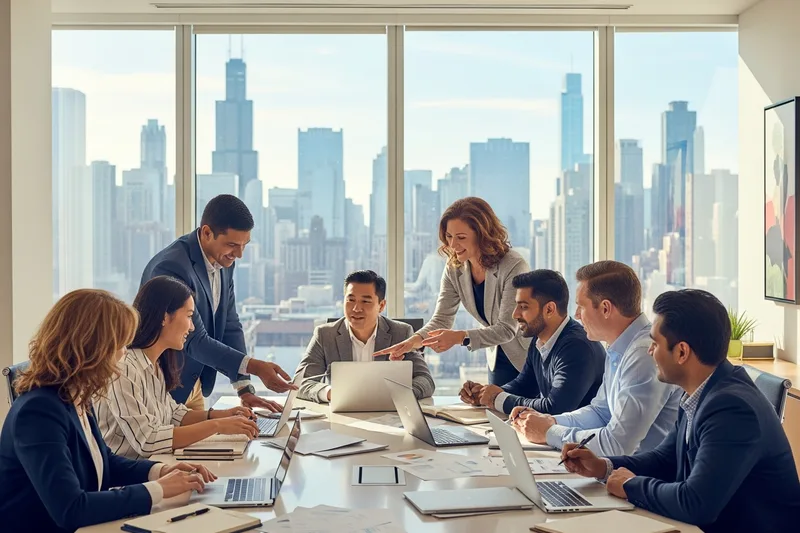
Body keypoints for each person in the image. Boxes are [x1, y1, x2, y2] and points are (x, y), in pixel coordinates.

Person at [560, 289, 800, 533]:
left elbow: (696, 503)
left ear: (682, 352)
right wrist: (603, 466)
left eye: (655, 343)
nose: (650, 351)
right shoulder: (701, 391)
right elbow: (665, 460)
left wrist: (630, 485)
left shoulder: (732, 408)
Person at [0, 289, 215, 533]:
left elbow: (104, 462)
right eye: (120, 344)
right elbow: (71, 508)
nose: (124, 352)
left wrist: (161, 471)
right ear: (92, 347)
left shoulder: (76, 395)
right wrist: (159, 490)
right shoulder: (38, 412)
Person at [141, 194, 295, 412]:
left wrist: (244, 387)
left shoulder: (224, 261)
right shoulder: (172, 267)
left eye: (244, 245)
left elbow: (230, 324)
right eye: (232, 245)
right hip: (164, 387)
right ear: (207, 233)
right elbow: (194, 339)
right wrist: (256, 366)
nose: (239, 254)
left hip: (194, 386)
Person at [511, 261, 681, 456]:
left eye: (581, 306)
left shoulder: (644, 355)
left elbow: (618, 445)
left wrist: (549, 432)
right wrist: (550, 421)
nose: (576, 315)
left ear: (605, 308)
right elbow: (601, 412)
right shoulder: (619, 348)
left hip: (640, 472)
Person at [96, 276, 261, 459]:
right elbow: (148, 441)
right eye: (189, 316)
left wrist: (223, 415)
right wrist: (218, 425)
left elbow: (174, 414)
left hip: (155, 465)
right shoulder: (125, 369)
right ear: (164, 317)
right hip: (130, 473)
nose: (192, 327)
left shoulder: (154, 364)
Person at [374, 197, 530, 386]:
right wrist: (413, 342)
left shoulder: (513, 265)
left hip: (527, 358)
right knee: (495, 404)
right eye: (449, 237)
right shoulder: (455, 268)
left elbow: (507, 328)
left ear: (482, 234)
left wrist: (459, 337)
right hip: (496, 356)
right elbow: (442, 319)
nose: (453, 245)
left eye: (461, 237)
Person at [460, 270, 605, 415]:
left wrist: (497, 399)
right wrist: (485, 393)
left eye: (523, 307)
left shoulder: (577, 347)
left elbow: (554, 408)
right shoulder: (539, 337)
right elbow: (524, 385)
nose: (515, 314)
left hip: (580, 430)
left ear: (549, 309)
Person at [296, 270, 435, 402]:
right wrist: (331, 392)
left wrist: (400, 394)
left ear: (381, 305)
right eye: (351, 300)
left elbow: (426, 380)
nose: (356, 308)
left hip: (389, 414)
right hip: (341, 414)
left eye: (365, 301)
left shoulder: (401, 333)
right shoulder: (325, 335)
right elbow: (301, 383)